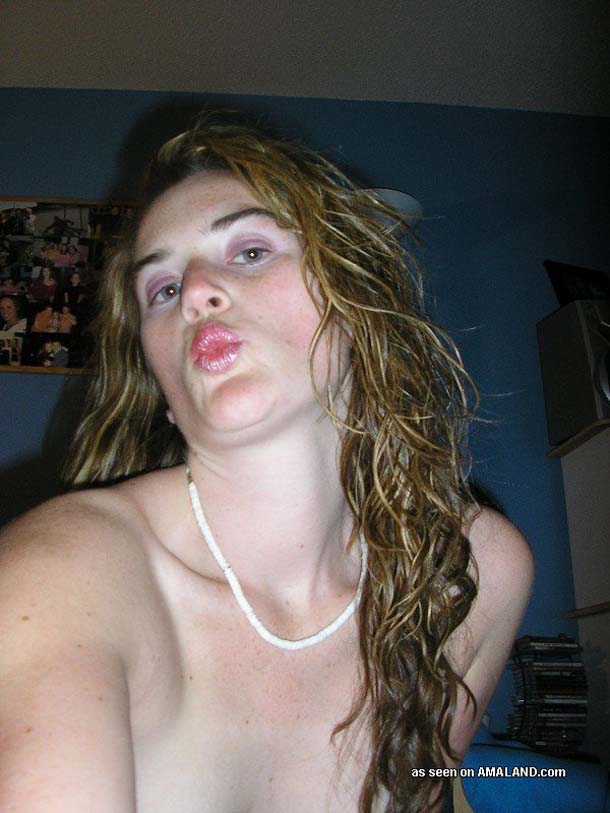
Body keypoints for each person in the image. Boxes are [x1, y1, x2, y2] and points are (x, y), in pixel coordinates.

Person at [0, 113, 533, 812]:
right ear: (161, 388)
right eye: (162, 290)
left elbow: (427, 792)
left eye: (250, 251)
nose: (196, 290)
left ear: (357, 304)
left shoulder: (472, 570)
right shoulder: (67, 573)